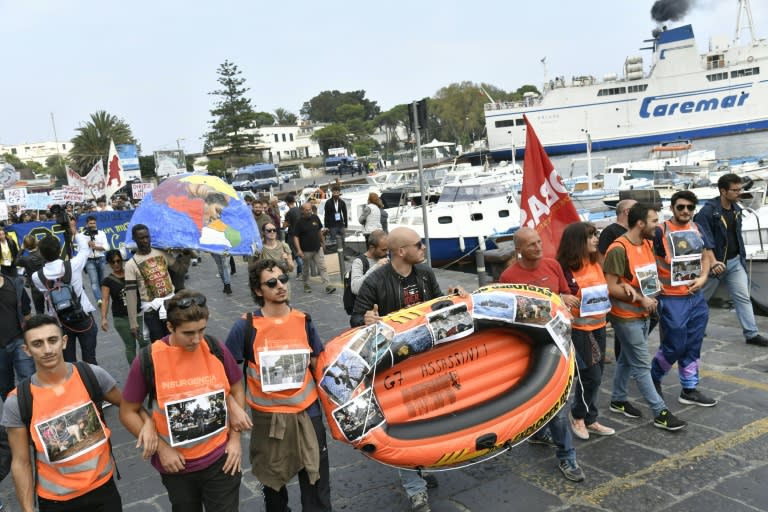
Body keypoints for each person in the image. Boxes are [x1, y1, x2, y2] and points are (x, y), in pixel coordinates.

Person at [351, 227, 465, 512]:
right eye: (418, 244)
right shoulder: (375, 280)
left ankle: (421, 464)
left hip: (427, 360)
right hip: (395, 368)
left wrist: (455, 295)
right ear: (401, 251)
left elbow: (438, 304)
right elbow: (355, 317)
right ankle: (416, 490)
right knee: (404, 423)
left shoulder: (425, 273)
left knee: (428, 416)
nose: (424, 247)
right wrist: (365, 318)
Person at [1, 315, 153, 512]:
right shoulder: (18, 401)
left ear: (64, 342)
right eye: (37, 344)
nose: (47, 350)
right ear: (27, 350)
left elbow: (130, 405)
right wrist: (28, 509)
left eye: (52, 340)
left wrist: (148, 423)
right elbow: (21, 463)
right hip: (56, 501)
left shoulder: (91, 375)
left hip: (104, 490)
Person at [120, 290, 249, 512]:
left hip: (221, 459)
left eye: (201, 330)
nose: (197, 339)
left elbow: (236, 387)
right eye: (188, 333)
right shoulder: (149, 358)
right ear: (170, 327)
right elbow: (127, 411)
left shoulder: (214, 347)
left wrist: (235, 439)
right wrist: (161, 449)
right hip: (176, 466)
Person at [224, 260, 331, 512]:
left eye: (283, 280)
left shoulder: (304, 320)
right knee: (272, 485)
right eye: (271, 283)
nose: (280, 286)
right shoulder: (245, 326)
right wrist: (233, 406)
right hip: (269, 419)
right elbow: (225, 372)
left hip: (308, 413)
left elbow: (318, 361)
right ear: (259, 290)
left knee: (317, 482)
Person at [499, 227, 586, 482]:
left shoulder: (552, 265)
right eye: (531, 244)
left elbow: (561, 294)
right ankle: (567, 459)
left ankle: (544, 437)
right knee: (555, 406)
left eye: (539, 242)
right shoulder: (508, 276)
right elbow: (511, 315)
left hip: (561, 340)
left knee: (557, 403)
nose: (538, 247)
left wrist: (565, 297)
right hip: (532, 347)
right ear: (519, 250)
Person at [603, 203, 687, 431]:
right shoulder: (618, 249)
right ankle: (660, 412)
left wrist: (654, 290)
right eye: (653, 221)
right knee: (641, 365)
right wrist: (641, 299)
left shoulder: (648, 244)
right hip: (625, 315)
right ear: (640, 223)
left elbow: (645, 277)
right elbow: (611, 287)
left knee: (626, 359)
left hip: (644, 312)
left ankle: (618, 400)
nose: (657, 225)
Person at [651, 190, 717, 406]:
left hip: (695, 297)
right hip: (671, 298)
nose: (685, 211)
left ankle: (689, 388)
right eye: (681, 207)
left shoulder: (697, 228)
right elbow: (646, 260)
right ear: (672, 208)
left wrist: (704, 277)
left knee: (693, 344)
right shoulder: (659, 231)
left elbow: (706, 255)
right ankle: (653, 378)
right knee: (674, 345)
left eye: (690, 207)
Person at [556, 222, 616, 440]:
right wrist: (561, 296)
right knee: (591, 376)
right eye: (591, 236)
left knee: (595, 376)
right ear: (577, 241)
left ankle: (591, 418)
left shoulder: (595, 263)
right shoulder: (563, 269)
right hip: (580, 331)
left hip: (599, 327)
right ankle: (578, 415)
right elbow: (549, 293)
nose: (596, 239)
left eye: (595, 235)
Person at [694, 173, 768, 347]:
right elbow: (705, 240)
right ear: (723, 191)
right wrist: (712, 262)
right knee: (701, 298)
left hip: (734, 262)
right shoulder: (707, 212)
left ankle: (752, 334)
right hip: (714, 265)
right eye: (734, 190)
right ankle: (695, 327)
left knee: (743, 297)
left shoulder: (737, 208)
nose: (739, 193)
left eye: (740, 189)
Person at [32, 232, 99, 364]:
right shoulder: (73, 265)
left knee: (68, 363)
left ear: (41, 254)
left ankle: (73, 384)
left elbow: (44, 292)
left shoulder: (36, 277)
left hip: (60, 322)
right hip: (83, 316)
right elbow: (85, 249)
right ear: (59, 250)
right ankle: (91, 383)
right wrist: (74, 232)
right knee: (90, 359)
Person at [597, 199, 637, 363]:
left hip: (630, 285)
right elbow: (601, 258)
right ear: (627, 212)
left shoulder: (633, 231)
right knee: (611, 321)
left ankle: (625, 358)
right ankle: (604, 354)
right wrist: (608, 282)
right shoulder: (610, 231)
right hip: (615, 285)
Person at [125, 224, 176, 343]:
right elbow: (131, 294)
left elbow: (180, 269)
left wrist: (188, 253)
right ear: (134, 239)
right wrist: (133, 322)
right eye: (141, 238)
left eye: (147, 237)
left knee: (176, 342)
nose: (145, 241)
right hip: (151, 312)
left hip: (171, 307)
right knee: (160, 346)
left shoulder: (160, 253)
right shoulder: (130, 265)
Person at [100, 249, 148, 365]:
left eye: (118, 261)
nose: (116, 264)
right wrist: (104, 318)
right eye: (112, 262)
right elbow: (105, 300)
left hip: (139, 314)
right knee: (130, 345)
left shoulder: (131, 273)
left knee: (144, 342)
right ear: (109, 263)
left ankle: (148, 367)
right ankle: (136, 372)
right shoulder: (107, 281)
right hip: (121, 318)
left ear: (122, 260)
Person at [0, 269, 35, 400]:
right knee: (5, 388)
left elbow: (27, 314)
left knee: (28, 381)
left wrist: (32, 339)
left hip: (19, 341)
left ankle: (34, 416)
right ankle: (16, 418)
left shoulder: (15, 284)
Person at [294, 202, 336, 294]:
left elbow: (319, 231)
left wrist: (323, 242)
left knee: (323, 267)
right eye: (307, 210)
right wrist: (299, 250)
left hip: (317, 248)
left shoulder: (315, 217)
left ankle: (328, 285)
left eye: (310, 209)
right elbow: (296, 237)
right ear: (302, 211)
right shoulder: (299, 222)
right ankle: (306, 284)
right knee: (305, 269)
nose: (309, 211)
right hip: (305, 251)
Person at [349, 229, 388, 295]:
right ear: (372, 248)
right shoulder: (359, 262)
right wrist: (376, 267)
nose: (387, 252)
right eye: (383, 250)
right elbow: (355, 288)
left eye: (388, 249)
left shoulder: (386, 258)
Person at [15, 234, 45, 314]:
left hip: (35, 286)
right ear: (36, 242)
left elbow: (16, 261)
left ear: (25, 246)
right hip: (48, 282)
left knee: (39, 311)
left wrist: (21, 249)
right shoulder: (43, 253)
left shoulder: (25, 259)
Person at [83, 215, 109, 306]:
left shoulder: (101, 233)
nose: (92, 225)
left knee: (102, 281)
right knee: (94, 281)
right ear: (87, 224)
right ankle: (99, 300)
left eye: (94, 223)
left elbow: (106, 247)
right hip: (89, 261)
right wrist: (87, 245)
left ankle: (104, 297)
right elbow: (80, 251)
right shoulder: (82, 235)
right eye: (90, 223)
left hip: (101, 259)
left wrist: (95, 247)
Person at [284, 194, 304, 279]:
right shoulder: (299, 210)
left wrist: (284, 220)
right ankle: (292, 272)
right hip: (300, 235)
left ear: (287, 202)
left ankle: (301, 272)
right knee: (292, 254)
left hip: (292, 236)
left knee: (295, 254)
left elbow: (285, 225)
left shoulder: (289, 212)